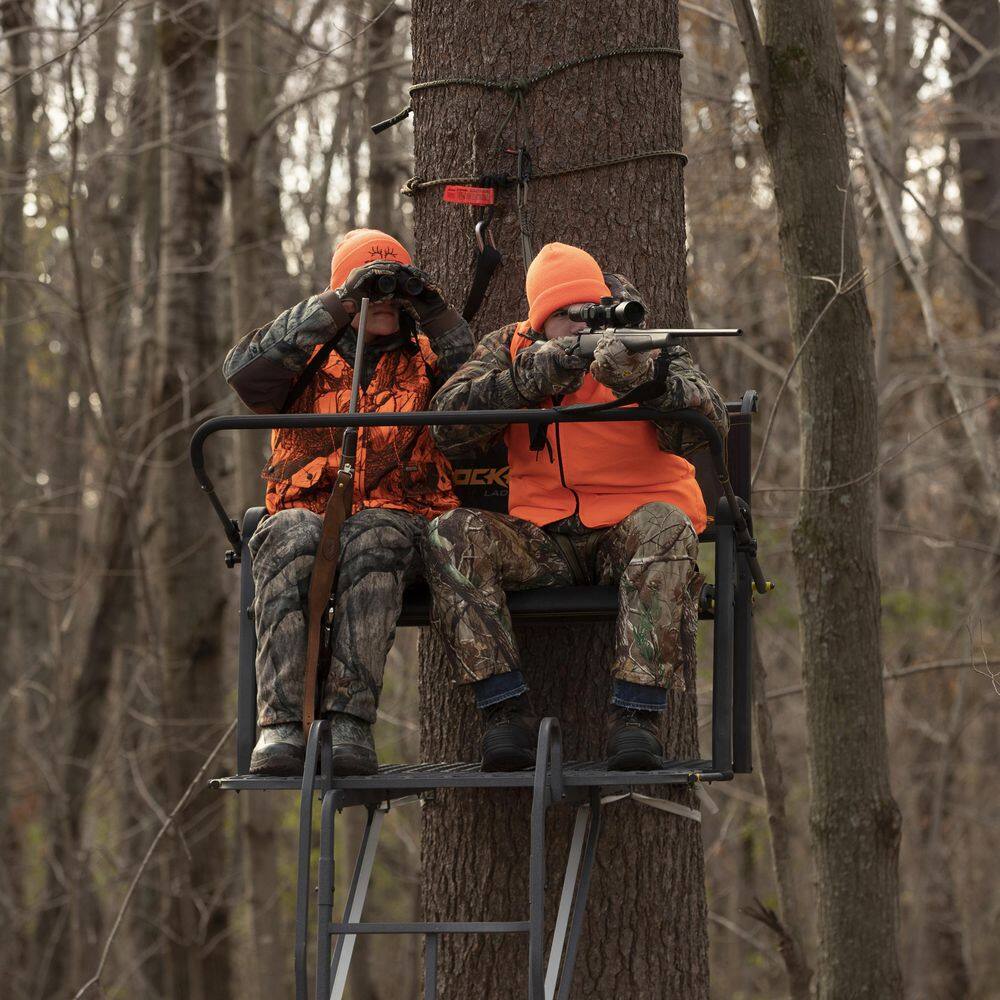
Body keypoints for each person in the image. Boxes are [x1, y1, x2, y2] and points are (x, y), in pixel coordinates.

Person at [423, 242, 729, 771]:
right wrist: (528, 380)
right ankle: (503, 714)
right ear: (540, 320)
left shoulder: (643, 345)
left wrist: (640, 382)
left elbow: (707, 426)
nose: (581, 323)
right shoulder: (509, 347)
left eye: (591, 308)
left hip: (628, 532)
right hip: (541, 540)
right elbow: (445, 425)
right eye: (565, 315)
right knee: (450, 533)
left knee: (666, 526)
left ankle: (637, 720)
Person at [224, 228, 473, 776]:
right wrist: (338, 301)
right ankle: (281, 726)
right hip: (307, 516)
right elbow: (242, 371)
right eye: (369, 288)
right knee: (287, 532)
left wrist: (429, 302)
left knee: (376, 531)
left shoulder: (428, 358)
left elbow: (478, 382)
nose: (382, 298)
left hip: (402, 524)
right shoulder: (302, 360)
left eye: (391, 289)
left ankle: (348, 724)